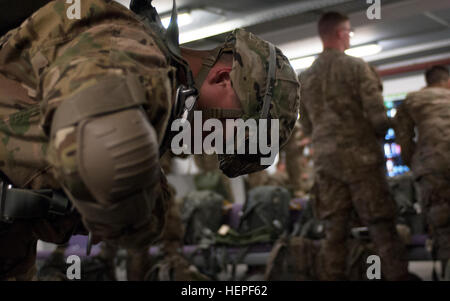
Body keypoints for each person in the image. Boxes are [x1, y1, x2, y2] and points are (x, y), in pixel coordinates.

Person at [0, 0, 300, 280]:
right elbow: (104, 155)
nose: (208, 146)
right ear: (223, 78)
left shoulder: (156, 115)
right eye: (226, 137)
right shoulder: (130, 48)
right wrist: (146, 216)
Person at [299, 11, 410, 280]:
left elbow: (307, 128)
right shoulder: (357, 67)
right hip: (362, 163)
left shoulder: (305, 78)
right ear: (340, 33)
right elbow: (377, 117)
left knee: (334, 234)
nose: (350, 36)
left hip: (327, 165)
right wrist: (390, 130)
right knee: (381, 227)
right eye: (349, 31)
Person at [394, 65, 450, 274]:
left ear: (427, 83)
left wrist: (415, 164)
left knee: (443, 227)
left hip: (432, 168)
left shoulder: (413, 99)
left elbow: (403, 136)